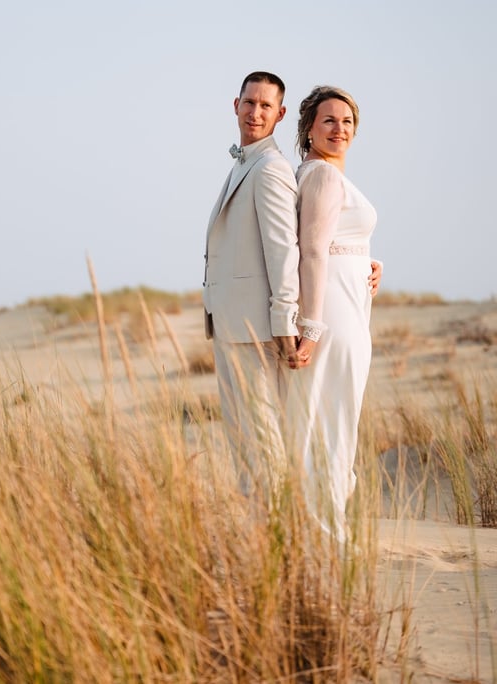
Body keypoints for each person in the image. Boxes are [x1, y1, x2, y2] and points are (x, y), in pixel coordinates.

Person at [287, 85, 379, 541]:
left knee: (327, 416)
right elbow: (313, 251)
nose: (339, 129)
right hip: (334, 315)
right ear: (308, 128)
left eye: (347, 122)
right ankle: (326, 531)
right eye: (329, 120)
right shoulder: (323, 175)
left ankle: (319, 525)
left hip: (346, 303)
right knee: (333, 421)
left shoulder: (315, 173)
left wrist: (367, 262)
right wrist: (312, 326)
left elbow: (334, 241)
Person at [203, 71, 301, 496]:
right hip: (231, 324)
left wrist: (285, 321)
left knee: (261, 438)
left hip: (256, 329)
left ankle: (274, 521)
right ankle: (256, 522)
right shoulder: (245, 163)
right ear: (235, 105)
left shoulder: (270, 168)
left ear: (280, 114)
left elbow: (284, 251)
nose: (255, 112)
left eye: (266, 106)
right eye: (249, 102)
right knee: (243, 438)